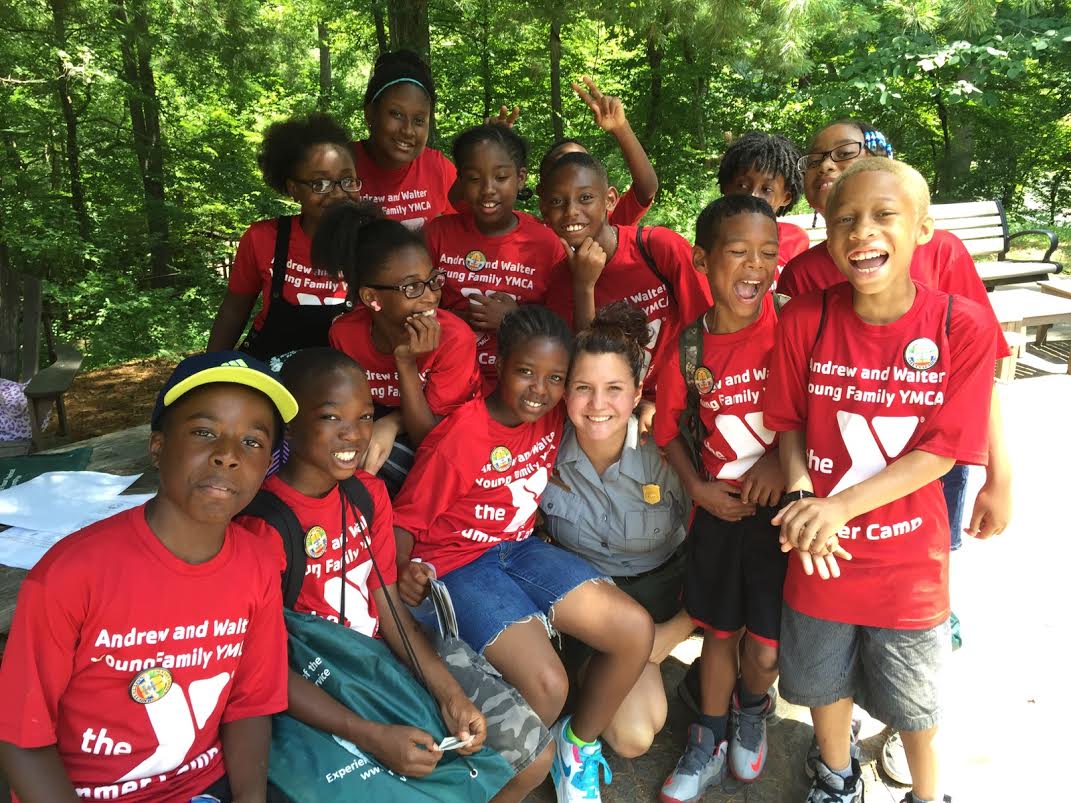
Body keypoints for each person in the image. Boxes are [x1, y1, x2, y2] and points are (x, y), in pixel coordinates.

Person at [781, 119, 1013, 785]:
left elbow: (943, 449)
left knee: (915, 696)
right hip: (818, 552)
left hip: (908, 557)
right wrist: (803, 497)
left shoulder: (957, 324)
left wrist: (837, 507)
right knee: (822, 680)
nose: (861, 232)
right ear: (827, 234)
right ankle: (833, 775)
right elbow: (789, 420)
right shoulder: (805, 315)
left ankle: (926, 789)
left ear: (921, 230)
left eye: (884, 216)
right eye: (844, 219)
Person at [234, 348, 552, 802]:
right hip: (320, 678)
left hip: (384, 654)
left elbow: (387, 604)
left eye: (365, 417)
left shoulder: (368, 495)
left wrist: (449, 694)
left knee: (531, 756)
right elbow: (263, 668)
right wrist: (370, 735)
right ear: (290, 421)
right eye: (331, 417)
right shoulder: (263, 526)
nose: (354, 434)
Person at [0, 352, 296, 802]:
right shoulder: (70, 575)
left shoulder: (257, 563)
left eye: (252, 442)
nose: (227, 456)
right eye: (203, 432)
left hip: (204, 787)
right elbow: (23, 739)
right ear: (157, 446)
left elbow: (250, 704)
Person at [393, 306, 655, 803]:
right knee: (547, 685)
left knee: (632, 630)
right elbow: (404, 525)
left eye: (556, 378)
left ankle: (573, 751)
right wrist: (405, 572)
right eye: (526, 373)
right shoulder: (463, 437)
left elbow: (602, 385)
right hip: (457, 566)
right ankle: (484, 788)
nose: (540, 389)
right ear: (499, 364)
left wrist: (645, 409)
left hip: (518, 550)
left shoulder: (556, 411)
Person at [654, 196, 788, 800]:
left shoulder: (793, 325)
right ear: (704, 261)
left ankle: (751, 707)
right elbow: (665, 429)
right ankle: (706, 736)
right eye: (738, 252)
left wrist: (775, 461)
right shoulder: (688, 348)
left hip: (783, 517)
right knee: (719, 633)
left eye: (768, 253)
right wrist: (697, 488)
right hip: (718, 514)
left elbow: (821, 409)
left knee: (764, 647)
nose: (754, 267)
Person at [540, 301, 694, 760]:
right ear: (564, 391)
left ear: (637, 391)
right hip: (594, 606)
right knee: (634, 734)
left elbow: (722, 546)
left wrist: (678, 631)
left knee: (640, 730)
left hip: (663, 595)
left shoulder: (668, 450)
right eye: (583, 388)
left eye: (614, 389)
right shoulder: (542, 445)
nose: (598, 405)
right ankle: (575, 712)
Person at [317, 200, 481, 494]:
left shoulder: (455, 339)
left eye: (432, 281)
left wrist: (405, 363)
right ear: (371, 298)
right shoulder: (345, 334)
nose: (431, 296)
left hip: (444, 445)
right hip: (373, 429)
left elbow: (429, 440)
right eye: (411, 287)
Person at [541, 151, 712, 413]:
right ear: (544, 210)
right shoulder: (559, 282)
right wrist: (583, 287)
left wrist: (673, 404)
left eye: (585, 198)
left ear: (610, 200)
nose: (571, 211)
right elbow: (587, 368)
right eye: (557, 201)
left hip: (683, 400)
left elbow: (705, 329)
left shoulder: (658, 248)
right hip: (615, 410)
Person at [424, 124, 565, 393]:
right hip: (446, 379)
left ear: (520, 178)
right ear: (461, 182)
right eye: (475, 179)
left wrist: (514, 318)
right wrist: (453, 318)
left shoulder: (546, 244)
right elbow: (411, 304)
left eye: (500, 177)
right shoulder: (437, 234)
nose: (488, 189)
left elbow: (562, 325)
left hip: (519, 387)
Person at [207, 113, 357, 359]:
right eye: (320, 184)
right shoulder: (263, 239)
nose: (338, 193)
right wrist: (208, 369)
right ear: (293, 188)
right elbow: (233, 311)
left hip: (346, 382)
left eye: (347, 180)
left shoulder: (375, 241)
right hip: (269, 373)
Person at [353, 50, 457, 228]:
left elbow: (474, 229)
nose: (408, 130)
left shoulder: (438, 168)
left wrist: (490, 152)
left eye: (419, 120)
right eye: (396, 114)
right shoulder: (342, 165)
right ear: (370, 114)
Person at [536, 77, 659, 226]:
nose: (572, 169)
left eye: (581, 161)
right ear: (542, 195)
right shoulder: (533, 237)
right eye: (561, 163)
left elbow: (646, 189)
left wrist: (620, 128)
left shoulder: (607, 224)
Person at [717, 131, 810, 275]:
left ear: (785, 198)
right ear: (725, 187)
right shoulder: (712, 238)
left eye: (766, 189)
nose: (752, 196)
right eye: (742, 185)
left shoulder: (795, 241)